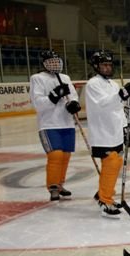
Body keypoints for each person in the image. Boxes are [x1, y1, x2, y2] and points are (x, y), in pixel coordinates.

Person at [84, 50, 130, 218]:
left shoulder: (113, 85)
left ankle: (104, 193)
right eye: (104, 65)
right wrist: (123, 93)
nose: (108, 68)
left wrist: (125, 129)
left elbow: (118, 110)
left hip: (114, 132)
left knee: (114, 163)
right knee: (112, 162)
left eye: (109, 65)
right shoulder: (93, 84)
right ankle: (105, 199)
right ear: (96, 66)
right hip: (102, 133)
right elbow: (103, 105)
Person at [29, 50, 80, 201]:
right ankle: (52, 186)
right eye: (50, 61)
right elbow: (38, 103)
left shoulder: (65, 77)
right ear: (44, 63)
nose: (54, 64)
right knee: (55, 155)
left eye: (56, 61)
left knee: (65, 155)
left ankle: (59, 183)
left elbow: (73, 95)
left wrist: (74, 104)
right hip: (49, 124)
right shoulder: (37, 78)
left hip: (67, 123)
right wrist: (53, 96)